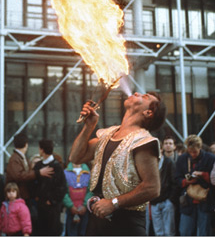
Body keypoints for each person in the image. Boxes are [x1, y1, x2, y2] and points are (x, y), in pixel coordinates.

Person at [69, 91, 166, 236]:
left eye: (145, 97)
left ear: (148, 112)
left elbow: (153, 188)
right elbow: (76, 157)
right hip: (97, 220)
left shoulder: (144, 141)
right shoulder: (107, 134)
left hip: (126, 224)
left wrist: (114, 203)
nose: (137, 92)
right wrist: (89, 126)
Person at [174, 134, 215, 236]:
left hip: (205, 199)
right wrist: (186, 181)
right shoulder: (182, 159)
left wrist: (203, 175)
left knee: (203, 232)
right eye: (190, 152)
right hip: (187, 200)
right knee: (184, 231)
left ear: (200, 147)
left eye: (195, 152)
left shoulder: (210, 158)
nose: (192, 154)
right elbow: (176, 178)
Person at [32, 139, 67, 236]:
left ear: (42, 150)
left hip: (53, 209)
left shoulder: (57, 167)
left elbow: (62, 187)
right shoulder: (38, 166)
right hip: (39, 207)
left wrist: (51, 200)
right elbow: (33, 184)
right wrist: (37, 197)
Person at [5, 133, 53, 204]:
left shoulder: (20, 157)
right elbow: (18, 175)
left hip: (23, 195)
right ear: (26, 144)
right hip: (18, 196)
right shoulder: (15, 158)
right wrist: (38, 173)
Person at [149, 144, 177, 236]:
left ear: (161, 149)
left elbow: (174, 182)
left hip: (166, 201)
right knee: (158, 233)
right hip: (154, 201)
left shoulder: (168, 162)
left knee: (169, 232)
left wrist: (170, 200)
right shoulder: (150, 163)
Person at [63, 162, 92, 236]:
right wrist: (70, 205)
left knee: (84, 232)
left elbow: (91, 190)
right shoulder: (65, 173)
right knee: (71, 232)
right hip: (71, 210)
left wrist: (85, 205)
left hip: (84, 210)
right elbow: (63, 191)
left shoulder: (89, 173)